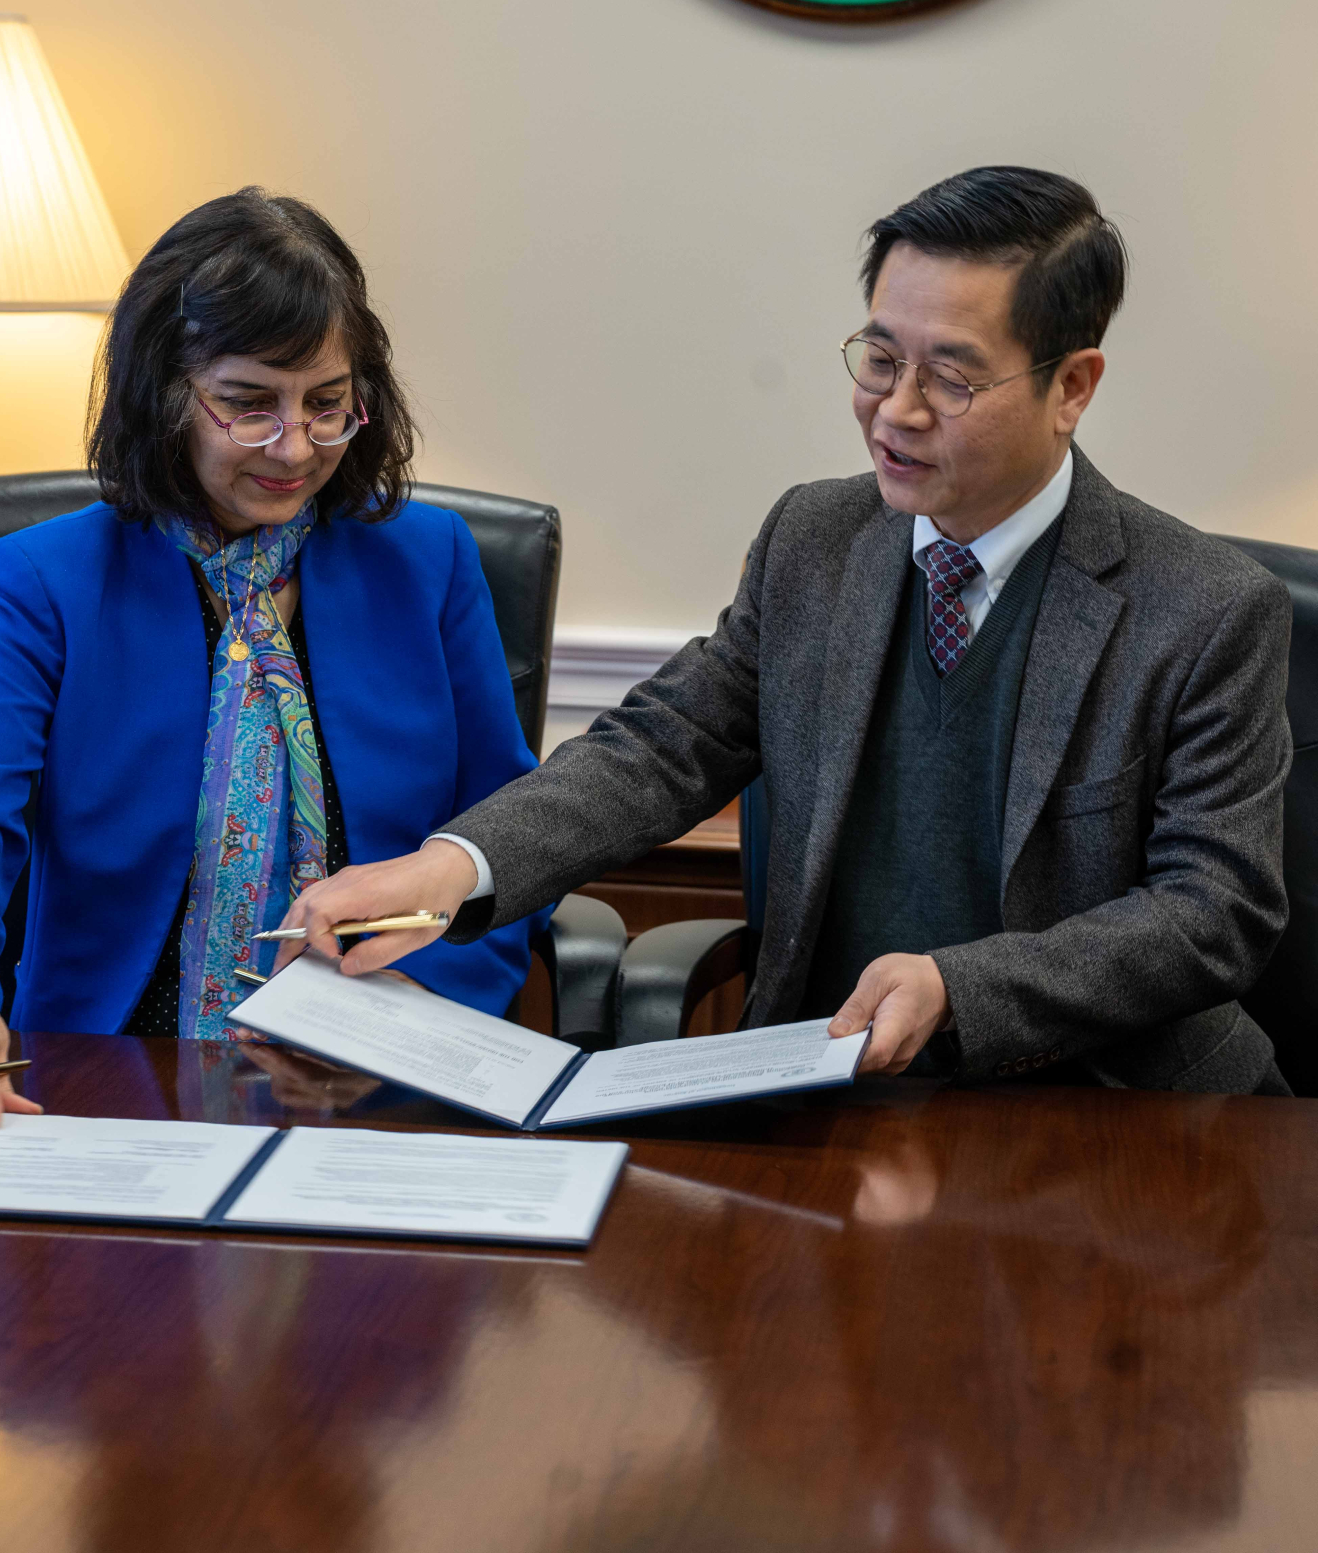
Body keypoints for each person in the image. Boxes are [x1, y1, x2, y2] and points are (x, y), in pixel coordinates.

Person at [277, 167, 1293, 1095]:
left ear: (1072, 386)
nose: (895, 410)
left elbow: (1216, 911)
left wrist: (964, 986)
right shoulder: (815, 539)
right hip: (828, 1099)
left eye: (951, 377)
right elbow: (664, 746)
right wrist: (456, 867)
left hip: (1113, 1125)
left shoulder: (1204, 609)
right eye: (880, 357)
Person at [0, 187, 541, 1126]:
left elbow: (506, 839)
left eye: (328, 404)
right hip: (109, 1076)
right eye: (247, 405)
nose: (295, 446)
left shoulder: (429, 563)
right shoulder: (44, 579)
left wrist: (412, 1028)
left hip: (374, 1074)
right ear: (164, 393)